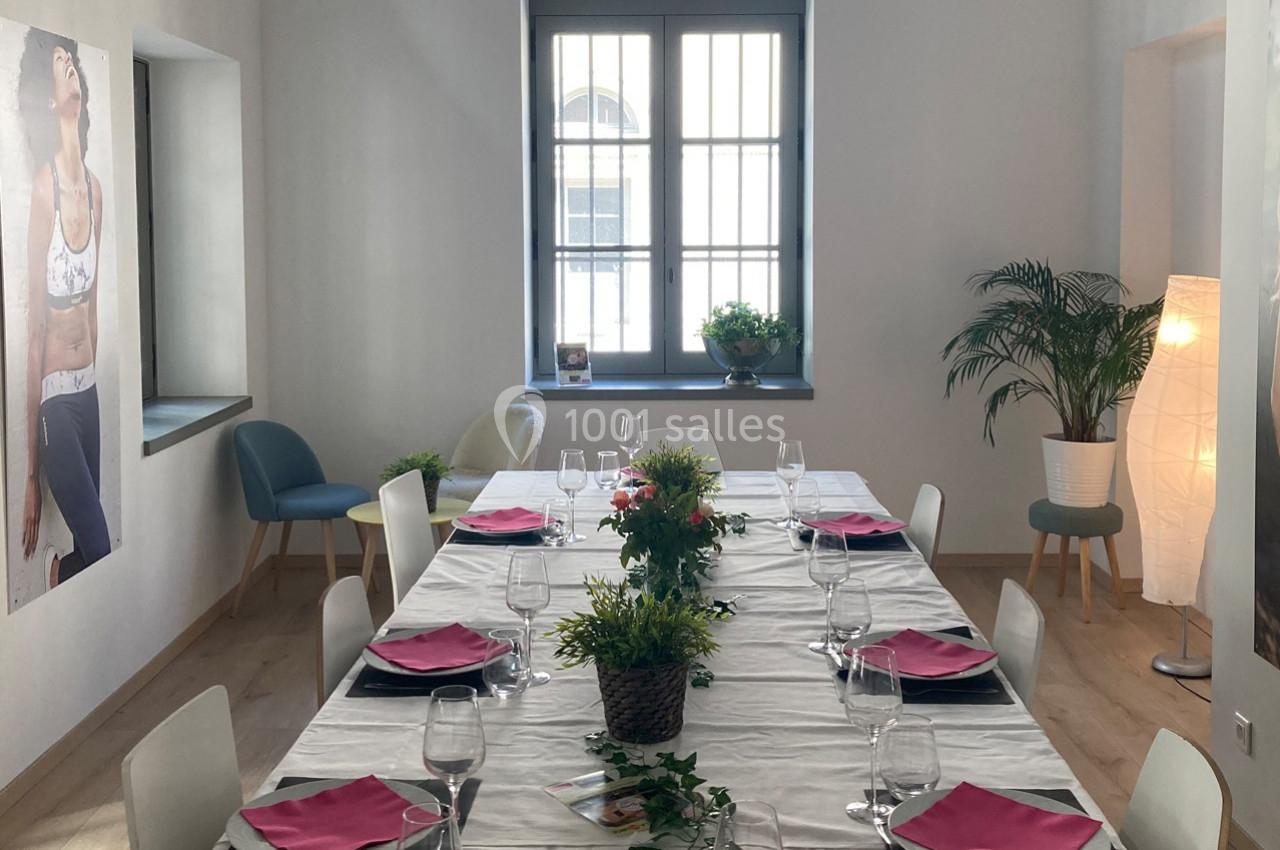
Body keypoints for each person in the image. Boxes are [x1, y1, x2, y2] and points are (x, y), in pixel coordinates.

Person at [18, 29, 110, 589]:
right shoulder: (42, 192)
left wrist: (93, 376)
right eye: (59, 63)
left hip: (90, 390)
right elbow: (32, 335)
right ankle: (56, 570)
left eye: (72, 58)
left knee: (94, 547)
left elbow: (95, 304)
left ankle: (65, 573)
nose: (70, 67)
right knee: (98, 547)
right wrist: (31, 474)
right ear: (49, 100)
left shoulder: (97, 191)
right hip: (55, 401)